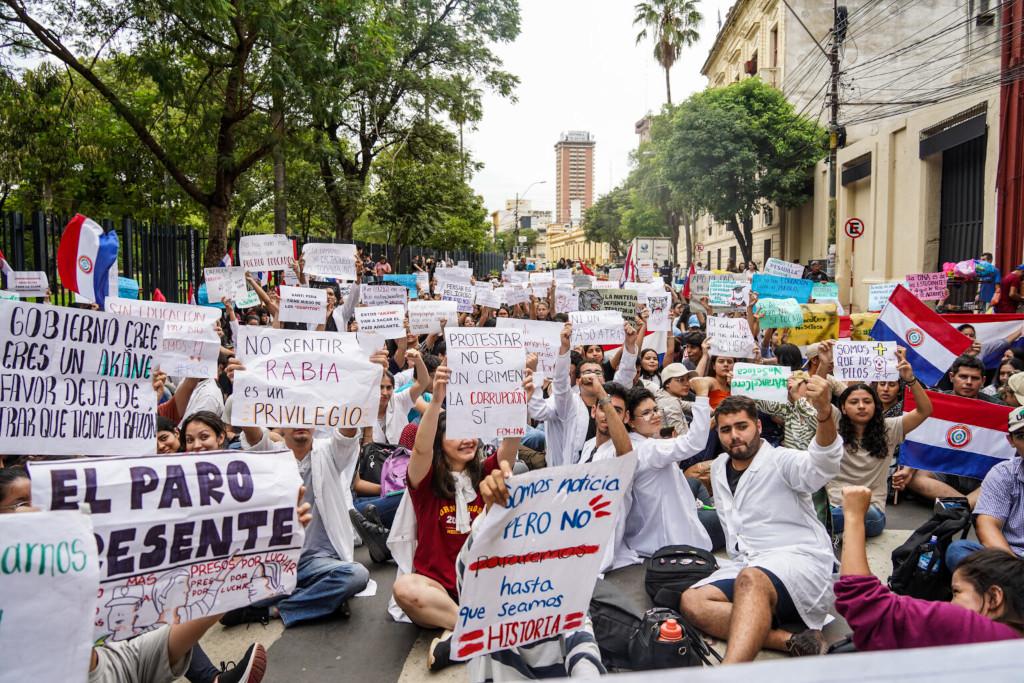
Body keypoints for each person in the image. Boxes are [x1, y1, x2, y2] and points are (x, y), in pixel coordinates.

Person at [0, 467, 276, 683]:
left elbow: (146, 655)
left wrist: (252, 547)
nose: (39, 512)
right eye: (22, 503)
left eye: (45, 501)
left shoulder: (107, 664)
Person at [679, 378, 843, 663]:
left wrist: (825, 413)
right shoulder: (718, 468)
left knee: (751, 579)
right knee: (691, 602)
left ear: (759, 426)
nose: (734, 436)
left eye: (742, 427)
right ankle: (790, 641)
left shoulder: (782, 460)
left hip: (798, 561)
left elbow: (822, 464)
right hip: (749, 563)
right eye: (726, 430)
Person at [220, 358, 372, 628]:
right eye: (293, 415)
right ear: (280, 420)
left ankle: (277, 609)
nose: (300, 422)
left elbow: (348, 431)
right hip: (277, 562)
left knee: (356, 576)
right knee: (229, 593)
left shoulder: (329, 453)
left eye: (306, 414)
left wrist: (364, 381)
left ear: (316, 421)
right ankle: (323, 600)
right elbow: (254, 435)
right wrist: (242, 385)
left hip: (320, 561)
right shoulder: (271, 455)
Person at [390, 364, 521, 671]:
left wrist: (518, 401)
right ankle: (480, 631)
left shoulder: (487, 470)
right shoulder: (424, 481)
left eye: (470, 432)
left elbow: (510, 448)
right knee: (404, 590)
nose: (467, 440)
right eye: (455, 434)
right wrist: (435, 401)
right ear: (440, 443)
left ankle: (461, 637)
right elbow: (421, 448)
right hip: (438, 588)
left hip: (485, 583)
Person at [834, 485, 1023, 650]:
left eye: (957, 593)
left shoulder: (974, 630)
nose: (949, 604)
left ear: (994, 598)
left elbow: (867, 604)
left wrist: (854, 516)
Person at [828, 350, 932, 537]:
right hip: (835, 505)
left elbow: (925, 411)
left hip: (872, 512)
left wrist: (910, 379)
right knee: (829, 512)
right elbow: (817, 398)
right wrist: (824, 363)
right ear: (842, 408)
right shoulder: (833, 422)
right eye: (854, 402)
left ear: (875, 406)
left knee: (847, 516)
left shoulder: (890, 428)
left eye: (867, 401)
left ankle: (828, 527)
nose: (861, 406)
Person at [621, 381, 715, 558]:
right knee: (729, 519)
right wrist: (702, 394)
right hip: (670, 540)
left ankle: (705, 508)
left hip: (651, 532)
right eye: (646, 413)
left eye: (655, 409)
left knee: (695, 485)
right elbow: (695, 442)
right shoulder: (649, 448)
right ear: (630, 421)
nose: (655, 416)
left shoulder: (639, 444)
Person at [527, 322, 639, 467]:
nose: (592, 375)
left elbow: (625, 376)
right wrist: (564, 349)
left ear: (604, 379)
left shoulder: (612, 402)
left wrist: (630, 346)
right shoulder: (568, 403)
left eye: (598, 373)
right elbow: (561, 386)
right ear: (578, 381)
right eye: (587, 372)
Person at [904, 355, 1002, 507]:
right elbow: (920, 440)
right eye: (963, 376)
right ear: (951, 377)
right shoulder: (936, 403)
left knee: (1000, 480)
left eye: (974, 378)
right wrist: (908, 469)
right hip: (944, 468)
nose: (968, 382)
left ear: (983, 381)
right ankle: (965, 506)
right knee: (915, 479)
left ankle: (958, 507)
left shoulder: (998, 409)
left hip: (980, 473)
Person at [945, 406, 1024, 569]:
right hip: (1010, 559)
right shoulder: (1004, 474)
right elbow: (987, 526)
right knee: (959, 551)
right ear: (1011, 441)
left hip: (1005, 574)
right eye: (1022, 436)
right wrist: (1016, 571)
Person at [653, 363, 696, 435]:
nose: (687, 384)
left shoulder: (664, 395)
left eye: (688, 379)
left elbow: (688, 405)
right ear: (667, 383)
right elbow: (681, 438)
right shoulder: (670, 402)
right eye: (681, 380)